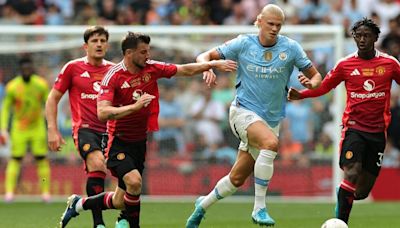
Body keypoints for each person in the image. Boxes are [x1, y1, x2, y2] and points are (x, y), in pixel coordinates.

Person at [59, 32, 237, 228]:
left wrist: (211, 65)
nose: (147, 55)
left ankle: (79, 204)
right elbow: (102, 112)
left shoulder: (152, 68)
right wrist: (134, 108)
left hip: (140, 140)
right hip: (117, 141)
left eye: (148, 51)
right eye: (143, 52)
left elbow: (184, 69)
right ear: (129, 53)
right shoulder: (113, 76)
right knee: (134, 182)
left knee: (121, 199)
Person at [186, 4, 322, 227]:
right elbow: (203, 55)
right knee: (270, 143)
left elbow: (316, 76)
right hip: (242, 111)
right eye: (270, 24)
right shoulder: (243, 43)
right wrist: (208, 66)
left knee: (237, 179)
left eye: (279, 25)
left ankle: (201, 206)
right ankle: (259, 208)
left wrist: (309, 86)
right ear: (259, 21)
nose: (275, 28)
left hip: (271, 119)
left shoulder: (291, 48)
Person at [287, 18, 400, 224]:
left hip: (378, 133)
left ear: (375, 38)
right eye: (359, 36)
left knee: (362, 192)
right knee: (352, 172)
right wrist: (301, 95)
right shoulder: (345, 64)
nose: (362, 40)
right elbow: (325, 86)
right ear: (354, 38)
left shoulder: (390, 64)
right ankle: (340, 223)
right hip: (354, 129)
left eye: (367, 36)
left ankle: (343, 202)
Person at [45, 26, 114, 228]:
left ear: (107, 45)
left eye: (103, 40)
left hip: (110, 130)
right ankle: (99, 224)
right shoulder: (72, 68)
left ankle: (79, 204)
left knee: (123, 179)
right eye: (95, 41)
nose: (99, 44)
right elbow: (52, 99)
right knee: (97, 163)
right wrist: (52, 129)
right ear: (86, 46)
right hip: (85, 129)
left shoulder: (113, 70)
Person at [0, 56, 50, 202]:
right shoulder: (12, 86)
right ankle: (9, 193)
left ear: (32, 68)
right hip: (19, 128)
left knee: (41, 159)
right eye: (24, 68)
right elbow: (6, 109)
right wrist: (3, 129)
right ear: (20, 69)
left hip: (37, 127)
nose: (27, 70)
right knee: (15, 159)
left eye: (29, 67)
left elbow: (48, 104)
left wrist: (51, 124)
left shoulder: (41, 84)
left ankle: (45, 193)